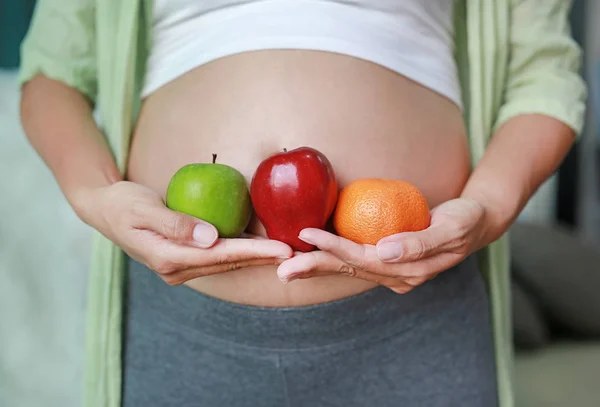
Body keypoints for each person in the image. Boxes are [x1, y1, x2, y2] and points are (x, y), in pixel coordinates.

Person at [18, 0, 586, 406]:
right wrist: (97, 197)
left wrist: (485, 209)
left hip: (413, 326)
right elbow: (51, 75)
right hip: (187, 330)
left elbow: (545, 78)